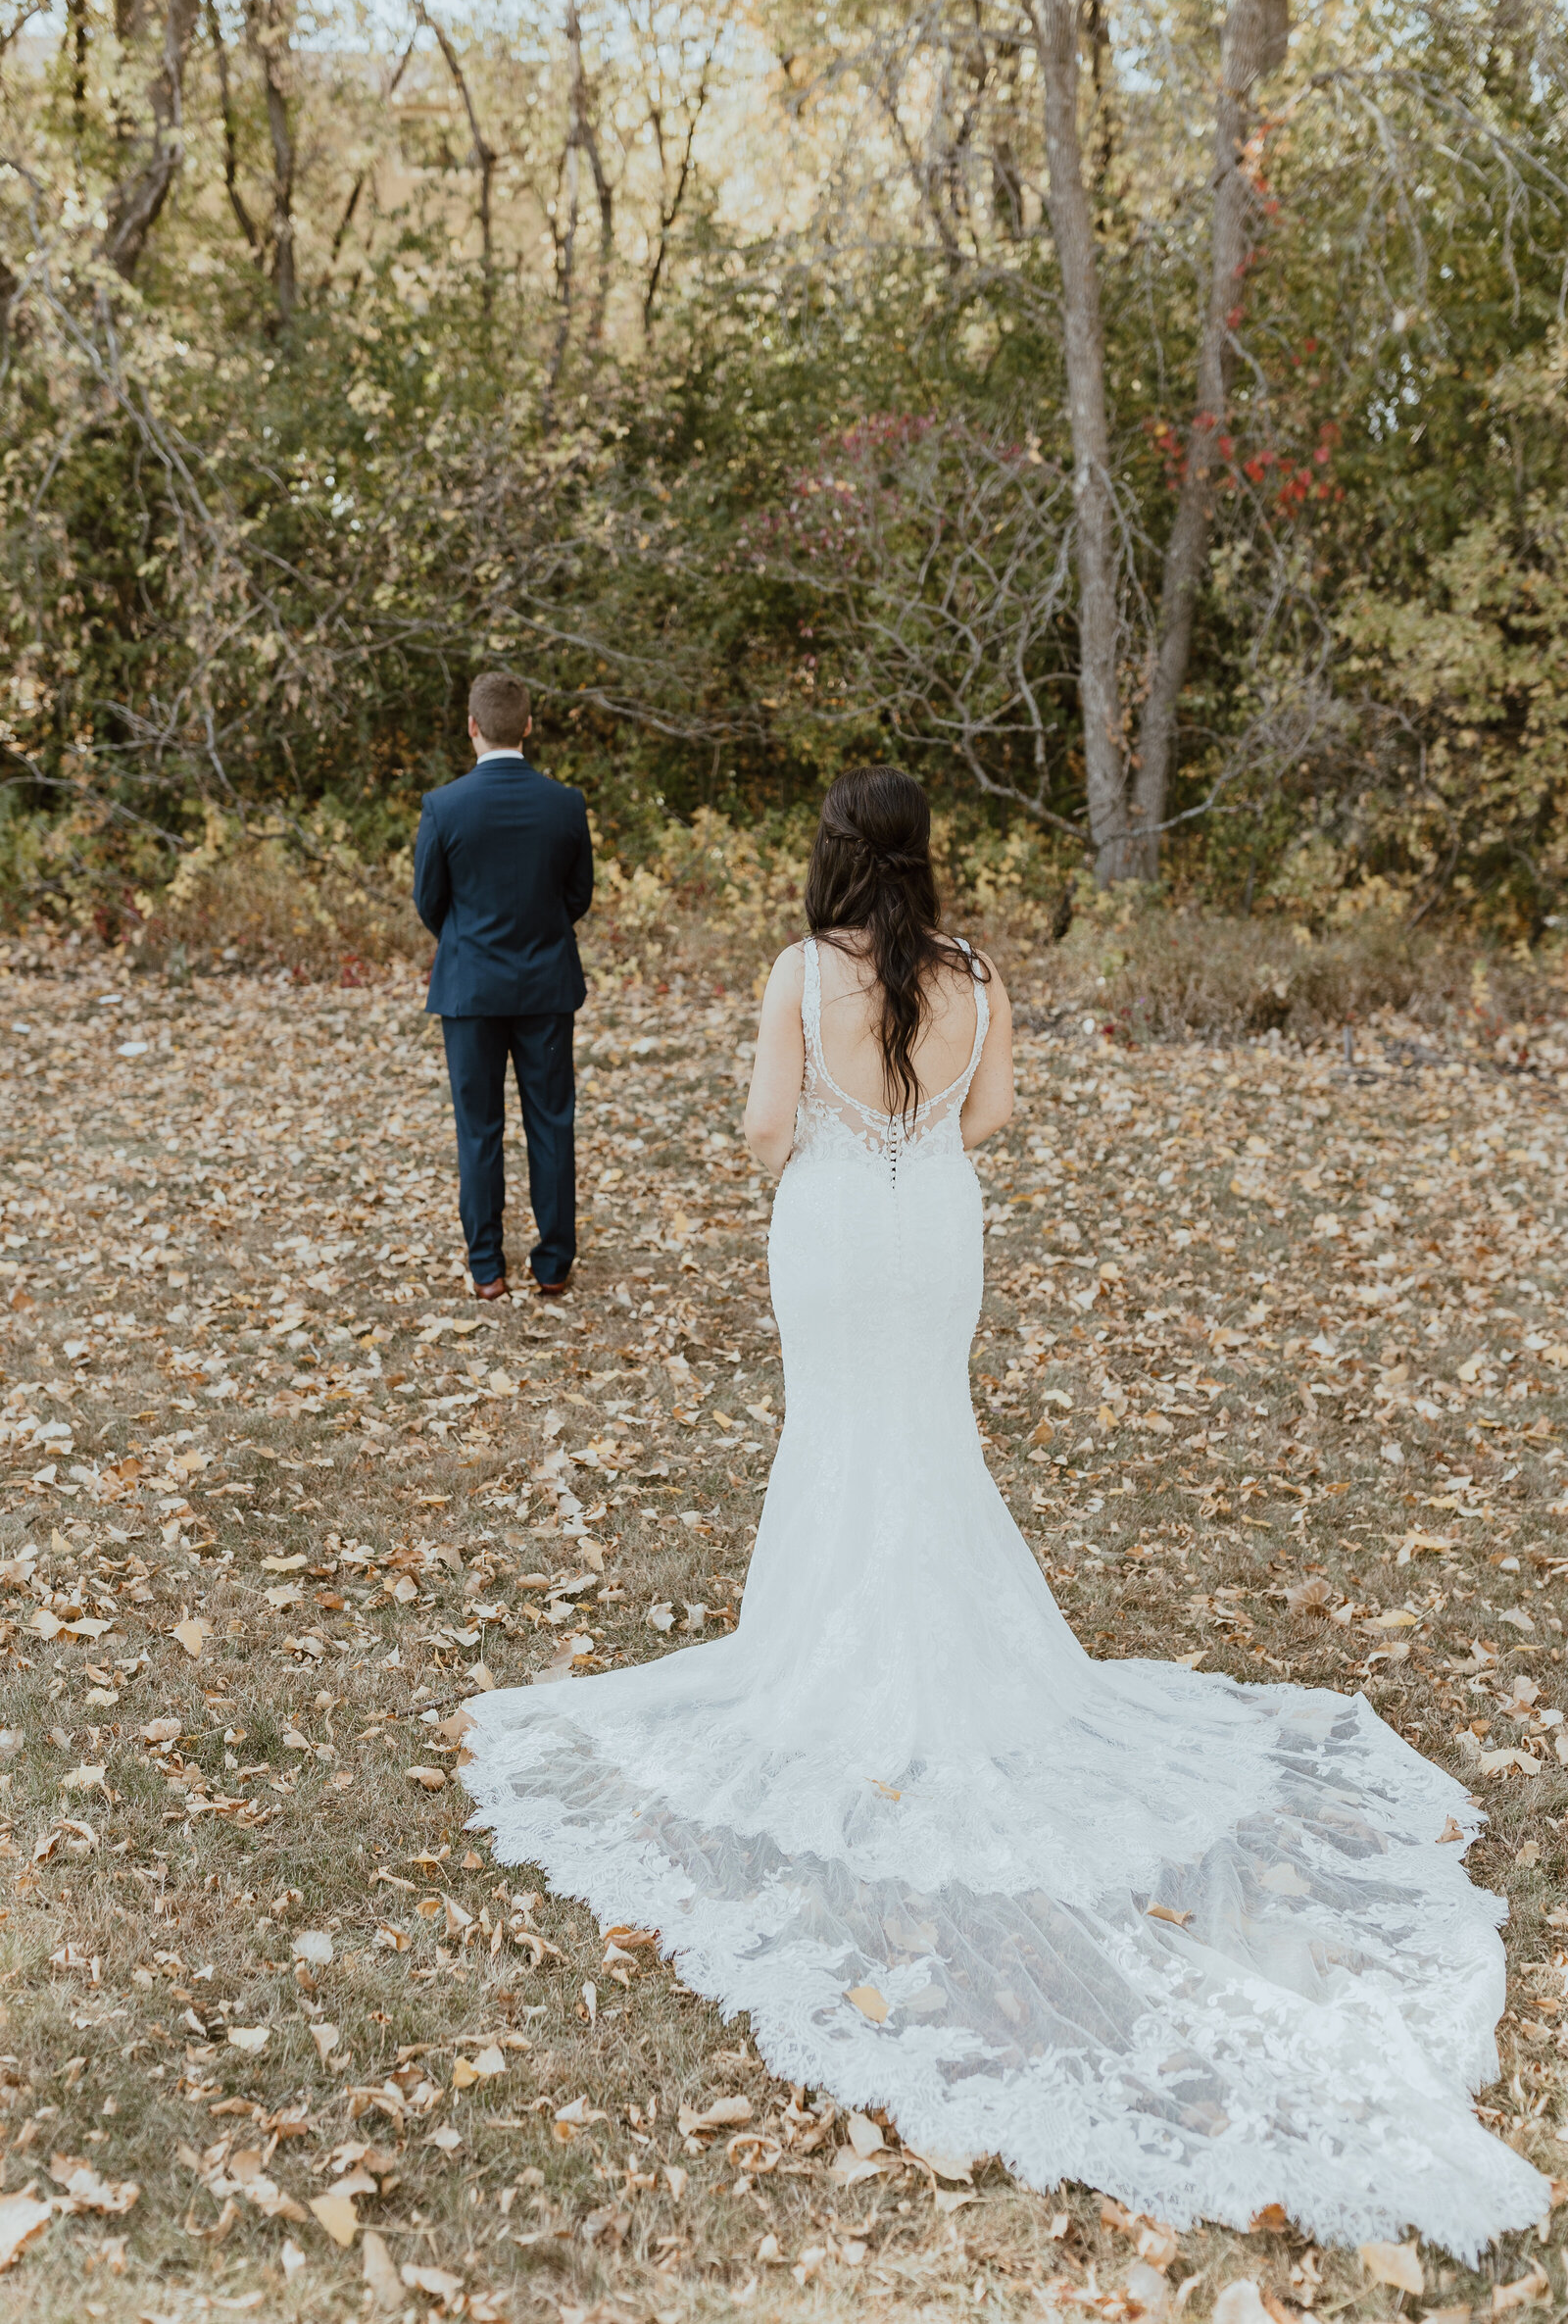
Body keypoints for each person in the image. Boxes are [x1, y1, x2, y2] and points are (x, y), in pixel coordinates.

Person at [461, 765, 1544, 2253]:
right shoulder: (977, 977)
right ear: (923, 858)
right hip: (934, 1232)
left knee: (839, 1432)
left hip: (835, 1227)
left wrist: (832, 1153)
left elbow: (765, 1131)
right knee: (924, 1431)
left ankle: (831, 1662)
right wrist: (913, 1149)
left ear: (834, 858)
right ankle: (928, 1656)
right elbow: (995, 1119)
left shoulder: (794, 973)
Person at [414, 671, 592, 1300]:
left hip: (470, 992)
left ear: (472, 727)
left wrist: (467, 941)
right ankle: (552, 1265)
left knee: (479, 1127)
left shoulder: (444, 806)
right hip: (545, 987)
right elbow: (578, 897)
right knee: (551, 1122)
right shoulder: (565, 804)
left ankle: (487, 1267)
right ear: (528, 727)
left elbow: (429, 900)